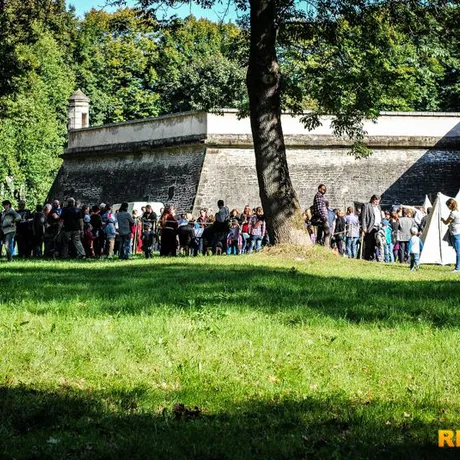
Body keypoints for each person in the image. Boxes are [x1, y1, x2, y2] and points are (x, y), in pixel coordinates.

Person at [361, 195, 382, 261]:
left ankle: (373, 257)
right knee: (368, 244)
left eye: (378, 201)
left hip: (377, 228)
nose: (377, 202)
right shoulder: (366, 205)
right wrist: (364, 227)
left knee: (375, 243)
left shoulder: (378, 207)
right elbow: (363, 217)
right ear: (373, 200)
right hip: (369, 227)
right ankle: (367, 257)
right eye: (376, 200)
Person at [441, 198, 460, 273]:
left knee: (458, 251)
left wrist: (442, 219)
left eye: (447, 205)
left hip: (455, 233)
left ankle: (457, 268)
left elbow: (446, 222)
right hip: (458, 232)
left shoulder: (453, 213)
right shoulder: (458, 212)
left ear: (450, 205)